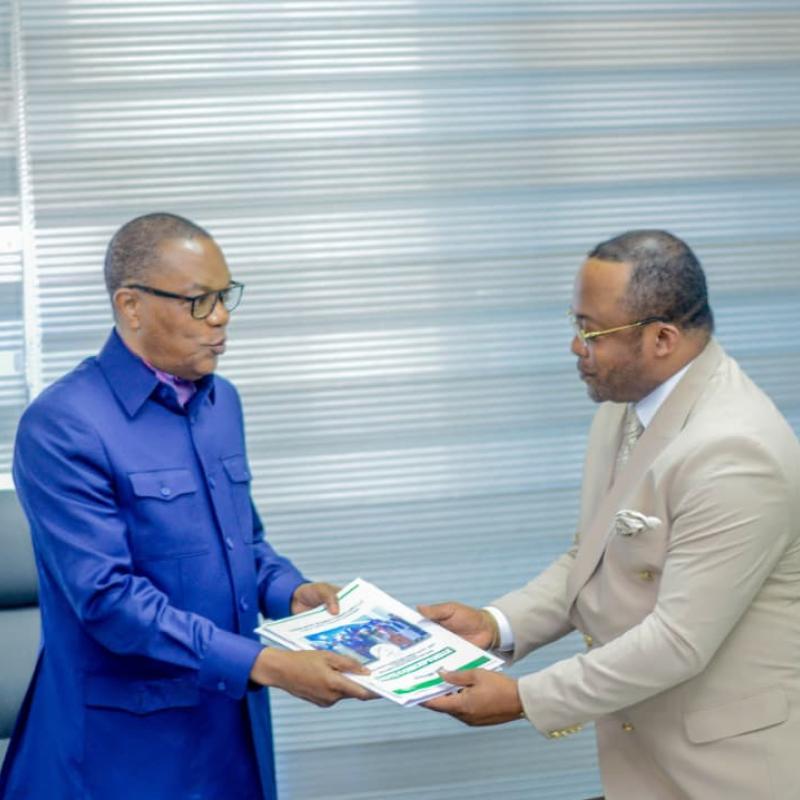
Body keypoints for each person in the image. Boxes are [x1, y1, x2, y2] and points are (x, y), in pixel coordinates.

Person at [0, 213, 373, 800]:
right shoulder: (64, 424)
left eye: (226, 296)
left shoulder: (222, 402)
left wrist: (291, 592)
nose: (221, 317)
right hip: (124, 752)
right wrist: (267, 664)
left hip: (230, 733)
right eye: (200, 301)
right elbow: (109, 601)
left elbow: (243, 543)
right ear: (131, 306)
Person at [419, 230, 800, 800]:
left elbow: (678, 641)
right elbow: (594, 556)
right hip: (641, 764)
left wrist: (525, 699)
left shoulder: (736, 453)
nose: (576, 347)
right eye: (575, 323)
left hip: (725, 774)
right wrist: (497, 625)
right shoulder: (627, 405)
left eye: (591, 331)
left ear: (662, 338)